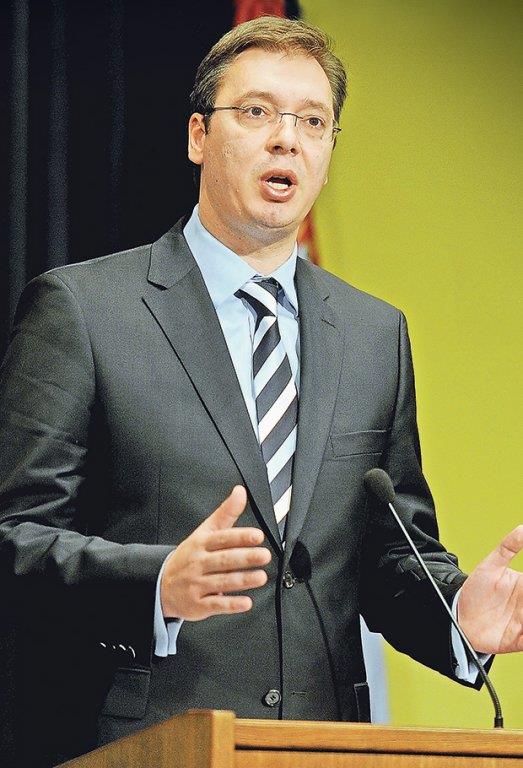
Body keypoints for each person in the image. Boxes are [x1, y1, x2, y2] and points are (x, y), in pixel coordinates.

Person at [0, 16, 521, 768]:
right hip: (144, 745)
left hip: (321, 747)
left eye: (312, 121)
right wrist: (155, 585)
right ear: (197, 136)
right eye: (257, 112)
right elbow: (15, 538)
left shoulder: (374, 334)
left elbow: (387, 553)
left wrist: (459, 613)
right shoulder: (84, 311)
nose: (287, 140)